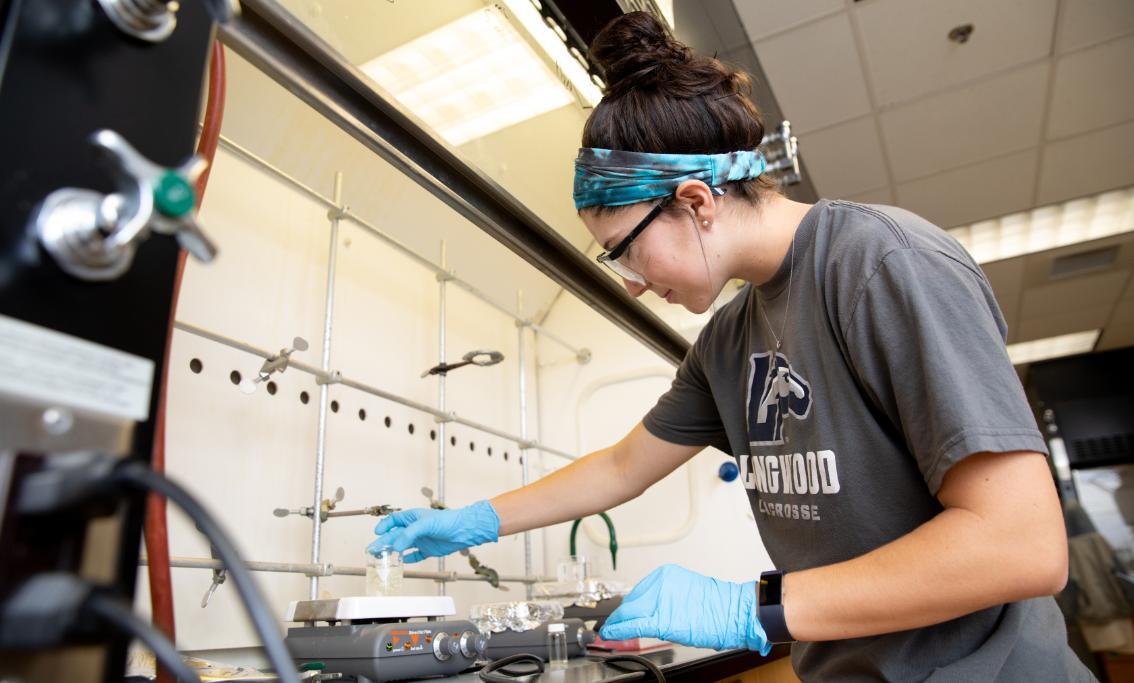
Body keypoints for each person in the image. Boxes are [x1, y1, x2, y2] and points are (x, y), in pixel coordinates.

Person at [369, 11, 1095, 681]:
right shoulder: (726, 341)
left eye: (624, 253)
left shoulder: (883, 264)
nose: (630, 283)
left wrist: (753, 606)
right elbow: (623, 466)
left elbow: (1022, 544)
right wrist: (476, 519)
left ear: (694, 202)